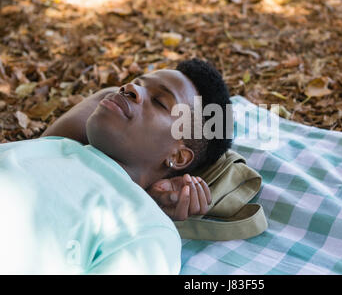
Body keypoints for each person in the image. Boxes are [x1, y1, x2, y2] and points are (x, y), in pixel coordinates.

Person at [0, 58, 232, 274]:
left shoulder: (144, 227)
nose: (128, 89)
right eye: (135, 83)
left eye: (160, 102)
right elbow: (103, 96)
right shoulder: (56, 146)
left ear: (178, 156)